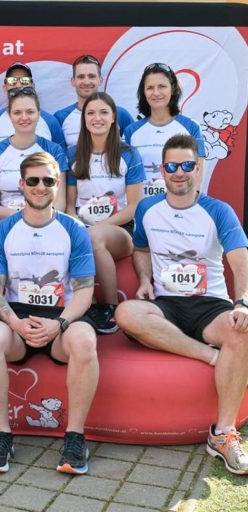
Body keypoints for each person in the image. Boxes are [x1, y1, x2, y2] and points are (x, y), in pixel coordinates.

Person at [115, 134, 248, 475]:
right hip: (167, 306)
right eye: (171, 166)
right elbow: (141, 250)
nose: (179, 172)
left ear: (198, 168)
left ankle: (223, 434)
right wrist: (144, 280)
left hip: (210, 305)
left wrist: (242, 303)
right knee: (125, 312)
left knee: (243, 331)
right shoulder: (147, 208)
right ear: (162, 170)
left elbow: (240, 259)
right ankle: (210, 356)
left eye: (187, 165)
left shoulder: (218, 210)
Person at [0, 151, 98, 475]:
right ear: (21, 184)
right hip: (17, 321)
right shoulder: (2, 229)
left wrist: (60, 323)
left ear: (58, 184)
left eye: (48, 180)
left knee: (86, 340)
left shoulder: (74, 229)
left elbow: (85, 289)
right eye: (33, 180)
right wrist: (15, 322)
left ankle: (75, 438)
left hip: (61, 320)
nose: (40, 187)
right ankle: (1, 435)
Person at [66, 92, 145, 334]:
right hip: (84, 226)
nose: (97, 118)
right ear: (84, 119)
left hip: (121, 229)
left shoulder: (129, 154)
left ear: (113, 118)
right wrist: (78, 225)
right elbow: (69, 204)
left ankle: (110, 306)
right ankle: (86, 305)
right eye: (91, 113)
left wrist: (98, 227)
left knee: (95, 237)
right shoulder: (72, 154)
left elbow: (133, 206)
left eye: (103, 112)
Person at [0, 88, 68, 221]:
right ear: (9, 116)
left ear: (39, 114)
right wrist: (23, 216)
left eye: (30, 112)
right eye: (17, 112)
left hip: (46, 223)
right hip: (6, 224)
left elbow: (60, 203)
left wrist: (35, 218)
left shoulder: (54, 150)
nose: (24, 117)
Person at [124, 62, 205, 198]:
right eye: (150, 88)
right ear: (143, 92)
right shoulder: (131, 131)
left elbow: (198, 174)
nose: (156, 93)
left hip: (180, 209)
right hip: (142, 212)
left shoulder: (191, 127)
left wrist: (187, 207)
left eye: (162, 86)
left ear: (172, 89)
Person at [0, 62, 65, 151]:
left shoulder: (50, 122)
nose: (18, 85)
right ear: (5, 87)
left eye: (25, 80)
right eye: (12, 81)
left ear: (33, 86)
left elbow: (60, 158)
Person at [55, 55, 134, 149]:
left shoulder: (120, 114)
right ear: (73, 81)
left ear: (100, 80)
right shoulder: (60, 118)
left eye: (91, 76)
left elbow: (132, 152)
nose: (87, 82)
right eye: (81, 77)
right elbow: (60, 158)